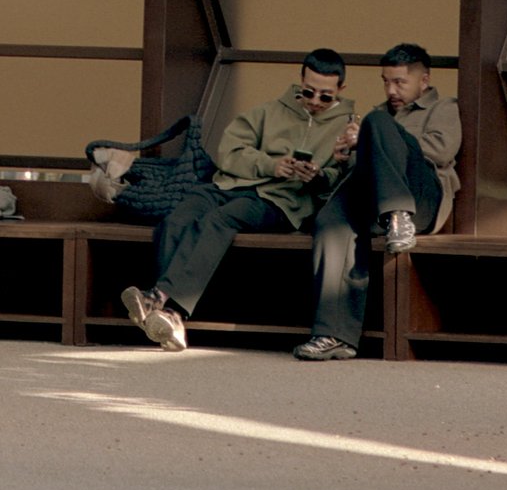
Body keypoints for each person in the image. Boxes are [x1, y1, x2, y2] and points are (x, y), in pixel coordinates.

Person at [121, 50, 356, 353]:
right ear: (300, 81)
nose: (314, 101)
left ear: (341, 90)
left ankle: (165, 303)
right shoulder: (269, 112)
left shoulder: (347, 128)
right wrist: (271, 165)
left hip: (281, 201)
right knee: (179, 216)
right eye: (309, 92)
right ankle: (168, 316)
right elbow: (229, 151)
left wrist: (319, 175)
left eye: (325, 97)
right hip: (229, 184)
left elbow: (343, 181)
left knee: (220, 220)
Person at [294, 41, 463, 362]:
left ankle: (398, 214)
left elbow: (441, 152)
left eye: (400, 82)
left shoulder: (443, 108)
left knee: (377, 123)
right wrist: (346, 156)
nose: (391, 90)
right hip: (378, 204)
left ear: (423, 81)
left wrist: (376, 137)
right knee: (331, 221)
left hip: (421, 200)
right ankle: (333, 335)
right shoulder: (378, 114)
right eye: (386, 81)